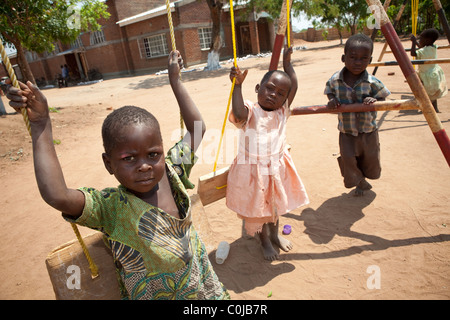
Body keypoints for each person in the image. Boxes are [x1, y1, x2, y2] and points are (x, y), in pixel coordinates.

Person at [7, 50, 229, 300]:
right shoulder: (111, 209)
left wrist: (175, 81)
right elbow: (56, 195)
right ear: (108, 163)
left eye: (153, 154)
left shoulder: (172, 171)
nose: (144, 166)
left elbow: (197, 129)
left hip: (201, 292)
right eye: (129, 159)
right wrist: (41, 126)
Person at [226, 46, 309, 261]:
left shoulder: (283, 111)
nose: (274, 95)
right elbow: (237, 113)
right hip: (253, 171)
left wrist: (288, 64)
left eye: (281, 94)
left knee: (275, 205)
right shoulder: (250, 110)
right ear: (257, 88)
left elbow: (294, 87)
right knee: (259, 210)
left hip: (276, 168)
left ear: (285, 100)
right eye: (269, 89)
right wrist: (237, 86)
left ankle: (275, 235)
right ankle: (263, 240)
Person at [325, 33, 391, 196]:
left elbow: (383, 96)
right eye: (353, 57)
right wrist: (332, 100)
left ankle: (363, 179)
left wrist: (374, 99)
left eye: (363, 58)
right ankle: (358, 181)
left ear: (369, 60)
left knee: (369, 158)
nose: (357, 62)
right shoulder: (335, 80)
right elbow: (329, 91)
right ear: (343, 58)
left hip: (368, 130)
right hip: (346, 131)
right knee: (348, 159)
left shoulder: (373, 82)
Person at [410, 28, 448, 113]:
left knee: (424, 91)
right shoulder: (433, 47)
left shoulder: (424, 50)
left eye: (421, 39)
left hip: (425, 75)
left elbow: (413, 53)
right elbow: (422, 48)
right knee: (432, 92)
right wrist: (416, 42)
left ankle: (426, 107)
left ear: (427, 40)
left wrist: (413, 42)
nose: (419, 41)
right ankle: (435, 108)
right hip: (433, 73)